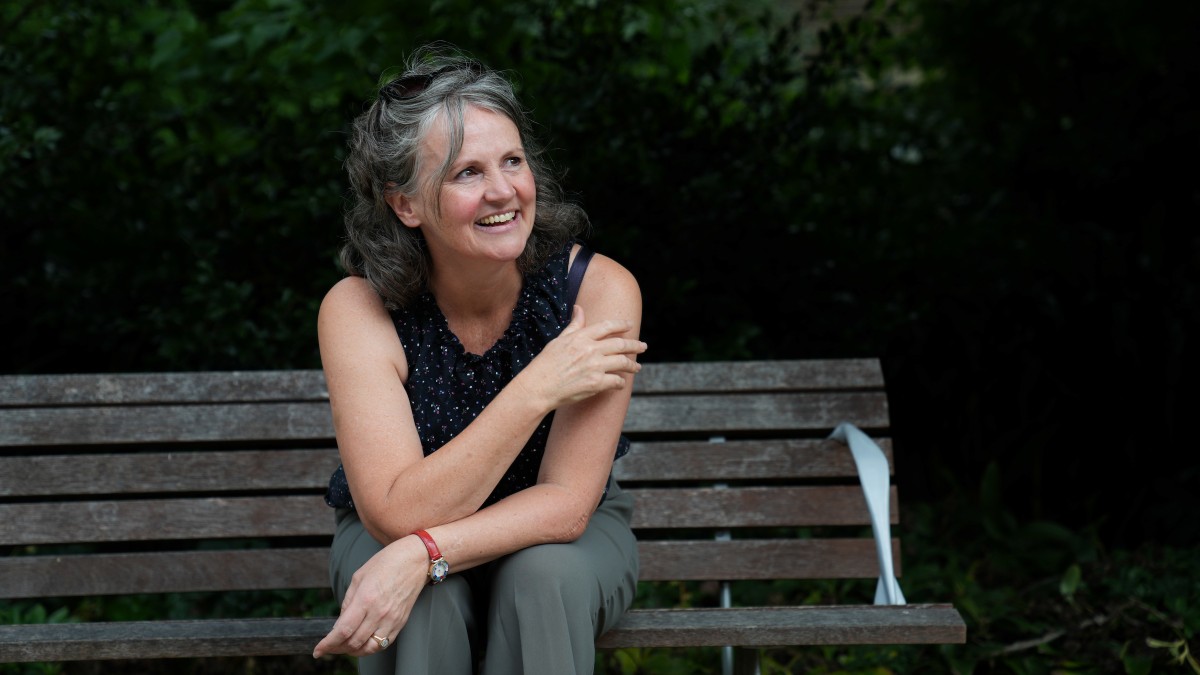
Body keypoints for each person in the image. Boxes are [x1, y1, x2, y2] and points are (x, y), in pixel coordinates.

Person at [311, 43, 647, 675]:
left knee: (541, 578)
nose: (503, 191)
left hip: (563, 540)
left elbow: (568, 503)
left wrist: (426, 551)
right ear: (404, 203)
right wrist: (538, 386)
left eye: (512, 161)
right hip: (388, 532)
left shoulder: (598, 292)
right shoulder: (359, 309)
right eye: (467, 173)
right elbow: (395, 513)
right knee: (422, 601)